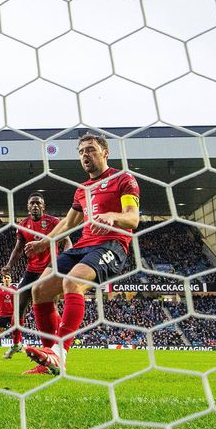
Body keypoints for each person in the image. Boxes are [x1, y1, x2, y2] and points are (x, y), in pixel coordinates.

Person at [24, 133, 140, 375]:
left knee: (72, 281)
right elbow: (69, 222)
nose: (85, 155)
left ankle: (59, 352)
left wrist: (113, 216)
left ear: (105, 152)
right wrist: (43, 244)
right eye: (81, 152)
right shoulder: (83, 190)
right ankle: (50, 361)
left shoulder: (123, 179)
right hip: (83, 245)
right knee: (40, 290)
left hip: (111, 245)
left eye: (90, 149)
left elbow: (133, 218)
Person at [1, 192, 70, 359]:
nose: (35, 206)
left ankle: (55, 345)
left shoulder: (54, 222)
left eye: (38, 203)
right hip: (31, 271)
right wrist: (9, 265)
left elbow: (67, 241)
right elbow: (18, 249)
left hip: (49, 270)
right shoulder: (23, 225)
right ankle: (17, 343)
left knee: (51, 307)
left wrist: (64, 262)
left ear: (43, 206)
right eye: (32, 203)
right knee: (18, 307)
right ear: (27, 206)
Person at [0, 274, 20, 358]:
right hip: (3, 314)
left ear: (11, 279)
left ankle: (18, 346)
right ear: (2, 279)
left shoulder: (15, 289)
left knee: (16, 331)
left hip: (13, 314)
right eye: (4, 278)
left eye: (8, 278)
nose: (6, 279)